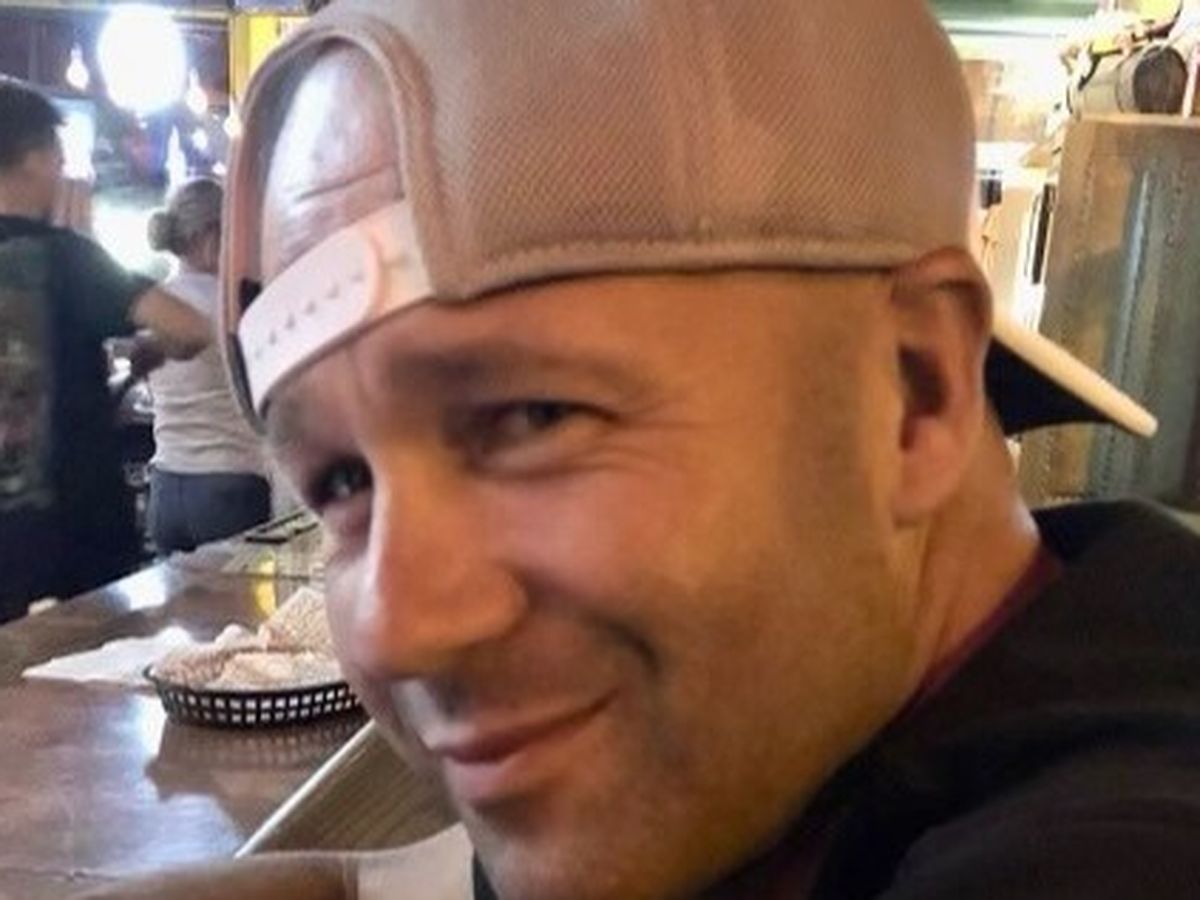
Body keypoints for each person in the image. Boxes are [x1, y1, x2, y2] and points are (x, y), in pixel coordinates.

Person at [85, 1, 1200, 898]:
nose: (395, 628)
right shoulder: (797, 741)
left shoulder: (1111, 855)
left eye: (531, 418)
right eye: (342, 480)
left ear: (914, 392)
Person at [0, 78, 211, 622]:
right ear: (35, 157)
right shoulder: (69, 257)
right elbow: (190, 327)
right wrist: (152, 350)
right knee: (99, 671)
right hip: (77, 540)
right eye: (58, 154)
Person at [142, 178, 271, 554]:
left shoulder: (155, 304)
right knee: (240, 595)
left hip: (165, 488)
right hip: (229, 487)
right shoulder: (233, 305)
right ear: (214, 234)